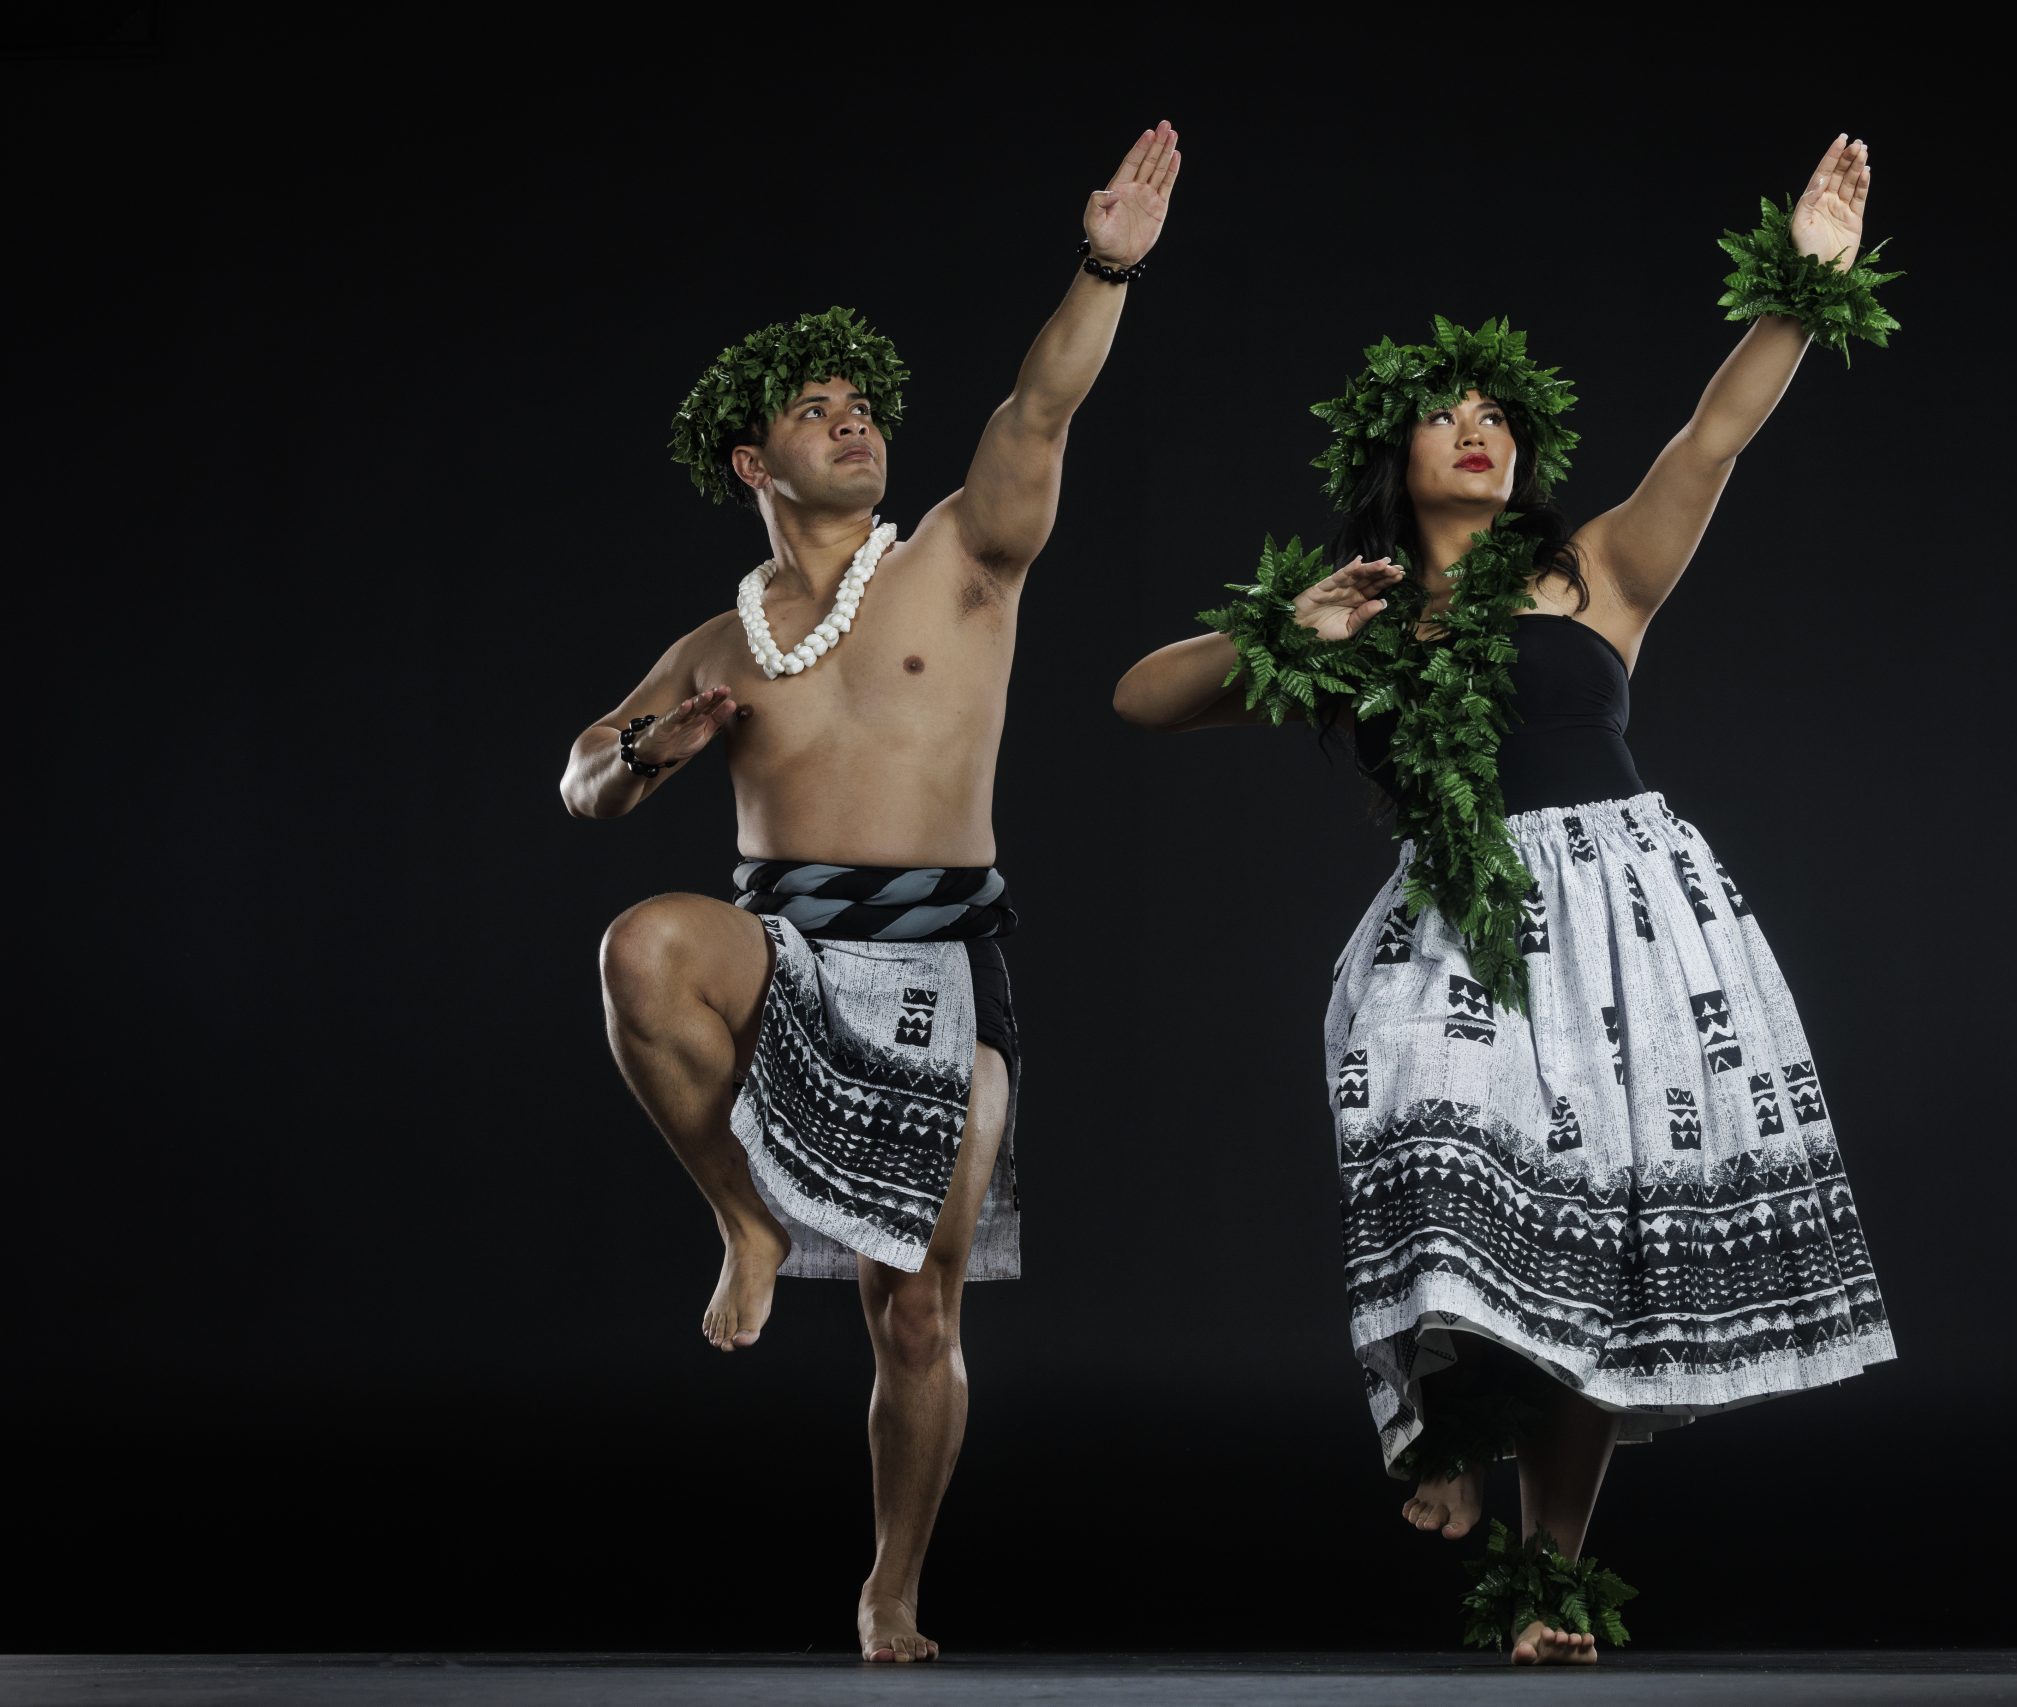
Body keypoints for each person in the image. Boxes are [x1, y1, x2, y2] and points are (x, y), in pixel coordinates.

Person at [1113, 135, 1898, 1664]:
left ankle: (1547, 1586)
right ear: (1386, 456)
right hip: (1458, 925)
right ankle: (1456, 1410)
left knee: (1602, 1244)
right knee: (1425, 1114)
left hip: (1627, 917)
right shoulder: (1355, 615)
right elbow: (1143, 700)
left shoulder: (1596, 571)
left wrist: (1803, 285)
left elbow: (1714, 435)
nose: (1477, 433)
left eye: (1496, 417)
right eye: (1443, 415)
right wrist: (1293, 622)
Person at [559, 121, 1183, 1664]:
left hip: (940, 962)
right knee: (641, 948)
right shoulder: (723, 643)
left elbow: (1041, 403)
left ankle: (891, 1586)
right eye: (814, 412)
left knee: (917, 1317)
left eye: (862, 406)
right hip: (783, 945)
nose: (852, 423)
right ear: (753, 463)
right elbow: (583, 785)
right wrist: (661, 740)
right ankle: (747, 1224)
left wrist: (1104, 262)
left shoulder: (964, 555)